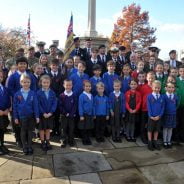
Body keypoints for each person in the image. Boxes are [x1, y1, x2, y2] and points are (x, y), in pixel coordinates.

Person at [7, 57, 35, 147]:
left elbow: (34, 87)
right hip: (17, 103)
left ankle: (27, 138)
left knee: (28, 121)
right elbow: (9, 89)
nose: (22, 65)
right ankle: (18, 139)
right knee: (17, 122)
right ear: (17, 65)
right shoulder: (13, 76)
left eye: (24, 63)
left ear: (27, 65)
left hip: (28, 103)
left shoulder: (30, 75)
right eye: (20, 63)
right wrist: (17, 96)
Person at [13, 74, 39, 155]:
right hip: (22, 116)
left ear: (30, 83)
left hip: (31, 116)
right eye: (24, 82)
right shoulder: (17, 94)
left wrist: (37, 116)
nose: (26, 84)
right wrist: (15, 117)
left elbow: (35, 105)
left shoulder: (33, 93)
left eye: (28, 82)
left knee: (30, 131)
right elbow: (15, 107)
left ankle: (30, 146)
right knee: (23, 131)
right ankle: (24, 146)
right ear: (21, 82)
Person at [37, 75, 57, 151]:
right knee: (41, 129)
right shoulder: (38, 93)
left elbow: (54, 103)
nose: (46, 84)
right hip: (42, 115)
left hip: (50, 114)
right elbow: (38, 104)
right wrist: (43, 113)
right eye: (44, 82)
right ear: (41, 83)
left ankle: (48, 141)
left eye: (47, 82)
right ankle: (42, 142)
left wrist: (51, 112)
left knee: (48, 129)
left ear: (50, 83)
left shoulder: (52, 92)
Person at [147, 80, 165, 151]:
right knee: (150, 130)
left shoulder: (162, 97)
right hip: (151, 117)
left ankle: (155, 141)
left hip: (158, 117)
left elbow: (163, 107)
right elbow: (149, 107)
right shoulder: (149, 96)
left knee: (156, 130)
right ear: (152, 87)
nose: (157, 89)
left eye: (158, 88)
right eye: (155, 88)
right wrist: (151, 115)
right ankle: (150, 142)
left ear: (160, 88)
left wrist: (159, 116)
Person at [59, 79, 77, 147]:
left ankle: (71, 140)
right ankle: (63, 140)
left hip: (72, 116)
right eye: (67, 85)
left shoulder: (74, 95)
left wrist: (72, 113)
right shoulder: (61, 95)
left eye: (70, 85)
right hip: (64, 115)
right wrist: (65, 113)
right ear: (64, 85)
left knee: (71, 128)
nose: (68, 86)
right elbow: (60, 106)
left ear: (72, 86)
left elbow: (75, 105)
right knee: (63, 128)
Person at [139, 72, 155, 144]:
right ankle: (143, 136)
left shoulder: (155, 88)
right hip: (144, 109)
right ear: (147, 78)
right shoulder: (143, 87)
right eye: (149, 78)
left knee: (150, 124)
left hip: (153, 110)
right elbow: (140, 98)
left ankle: (150, 136)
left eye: (152, 78)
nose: (151, 79)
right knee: (143, 123)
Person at [163, 82, 179, 149]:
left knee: (170, 128)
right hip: (166, 114)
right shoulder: (163, 96)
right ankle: (165, 141)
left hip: (173, 114)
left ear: (174, 88)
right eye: (169, 87)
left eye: (172, 87)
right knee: (165, 128)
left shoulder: (175, 96)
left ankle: (169, 141)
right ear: (166, 88)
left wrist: (174, 110)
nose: (171, 89)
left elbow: (177, 104)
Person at [78, 80, 94, 145]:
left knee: (89, 127)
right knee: (84, 128)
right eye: (86, 86)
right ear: (83, 87)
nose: (88, 87)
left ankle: (88, 138)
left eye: (89, 86)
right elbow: (80, 106)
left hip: (90, 114)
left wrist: (93, 114)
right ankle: (84, 139)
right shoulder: (82, 96)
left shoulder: (91, 95)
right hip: (84, 115)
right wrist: (81, 115)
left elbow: (93, 105)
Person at [0, 70, 11, 155]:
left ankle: (2, 144)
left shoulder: (4, 88)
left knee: (2, 129)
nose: (0, 78)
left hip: (4, 113)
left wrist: (7, 109)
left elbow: (7, 100)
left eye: (1, 77)